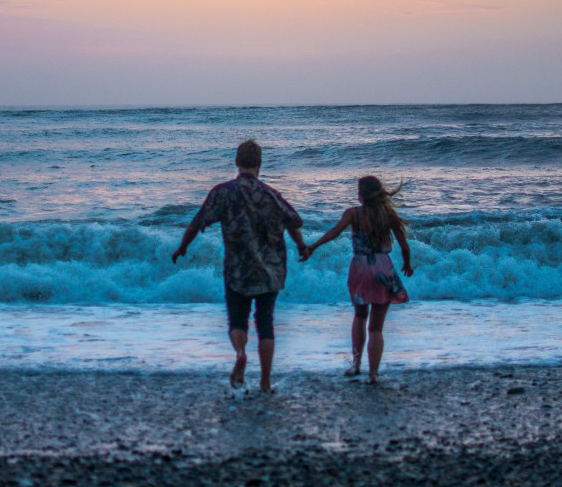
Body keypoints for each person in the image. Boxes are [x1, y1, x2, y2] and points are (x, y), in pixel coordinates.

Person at [172, 140, 308, 393]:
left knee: (238, 320)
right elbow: (293, 221)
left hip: (237, 269)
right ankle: (265, 381)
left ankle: (240, 354)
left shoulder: (222, 193)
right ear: (259, 164)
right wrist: (301, 246)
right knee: (265, 321)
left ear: (237, 162)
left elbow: (196, 223)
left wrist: (182, 247)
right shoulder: (271, 194)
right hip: (271, 269)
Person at [300, 176, 412, 385]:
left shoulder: (354, 214)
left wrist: (313, 246)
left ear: (361, 195)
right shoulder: (388, 215)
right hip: (382, 268)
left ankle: (356, 366)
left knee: (360, 316)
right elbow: (404, 246)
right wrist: (407, 264)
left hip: (360, 268)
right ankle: (374, 374)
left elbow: (334, 232)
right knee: (376, 328)